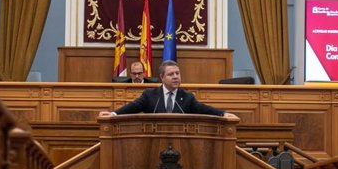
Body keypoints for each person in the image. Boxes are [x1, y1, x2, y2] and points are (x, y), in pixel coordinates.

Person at [99, 60, 238, 117]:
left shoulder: (187, 97)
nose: (176, 77)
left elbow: (203, 109)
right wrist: (113, 114)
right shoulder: (150, 95)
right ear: (162, 77)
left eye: (177, 73)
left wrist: (223, 114)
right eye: (171, 74)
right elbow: (133, 107)